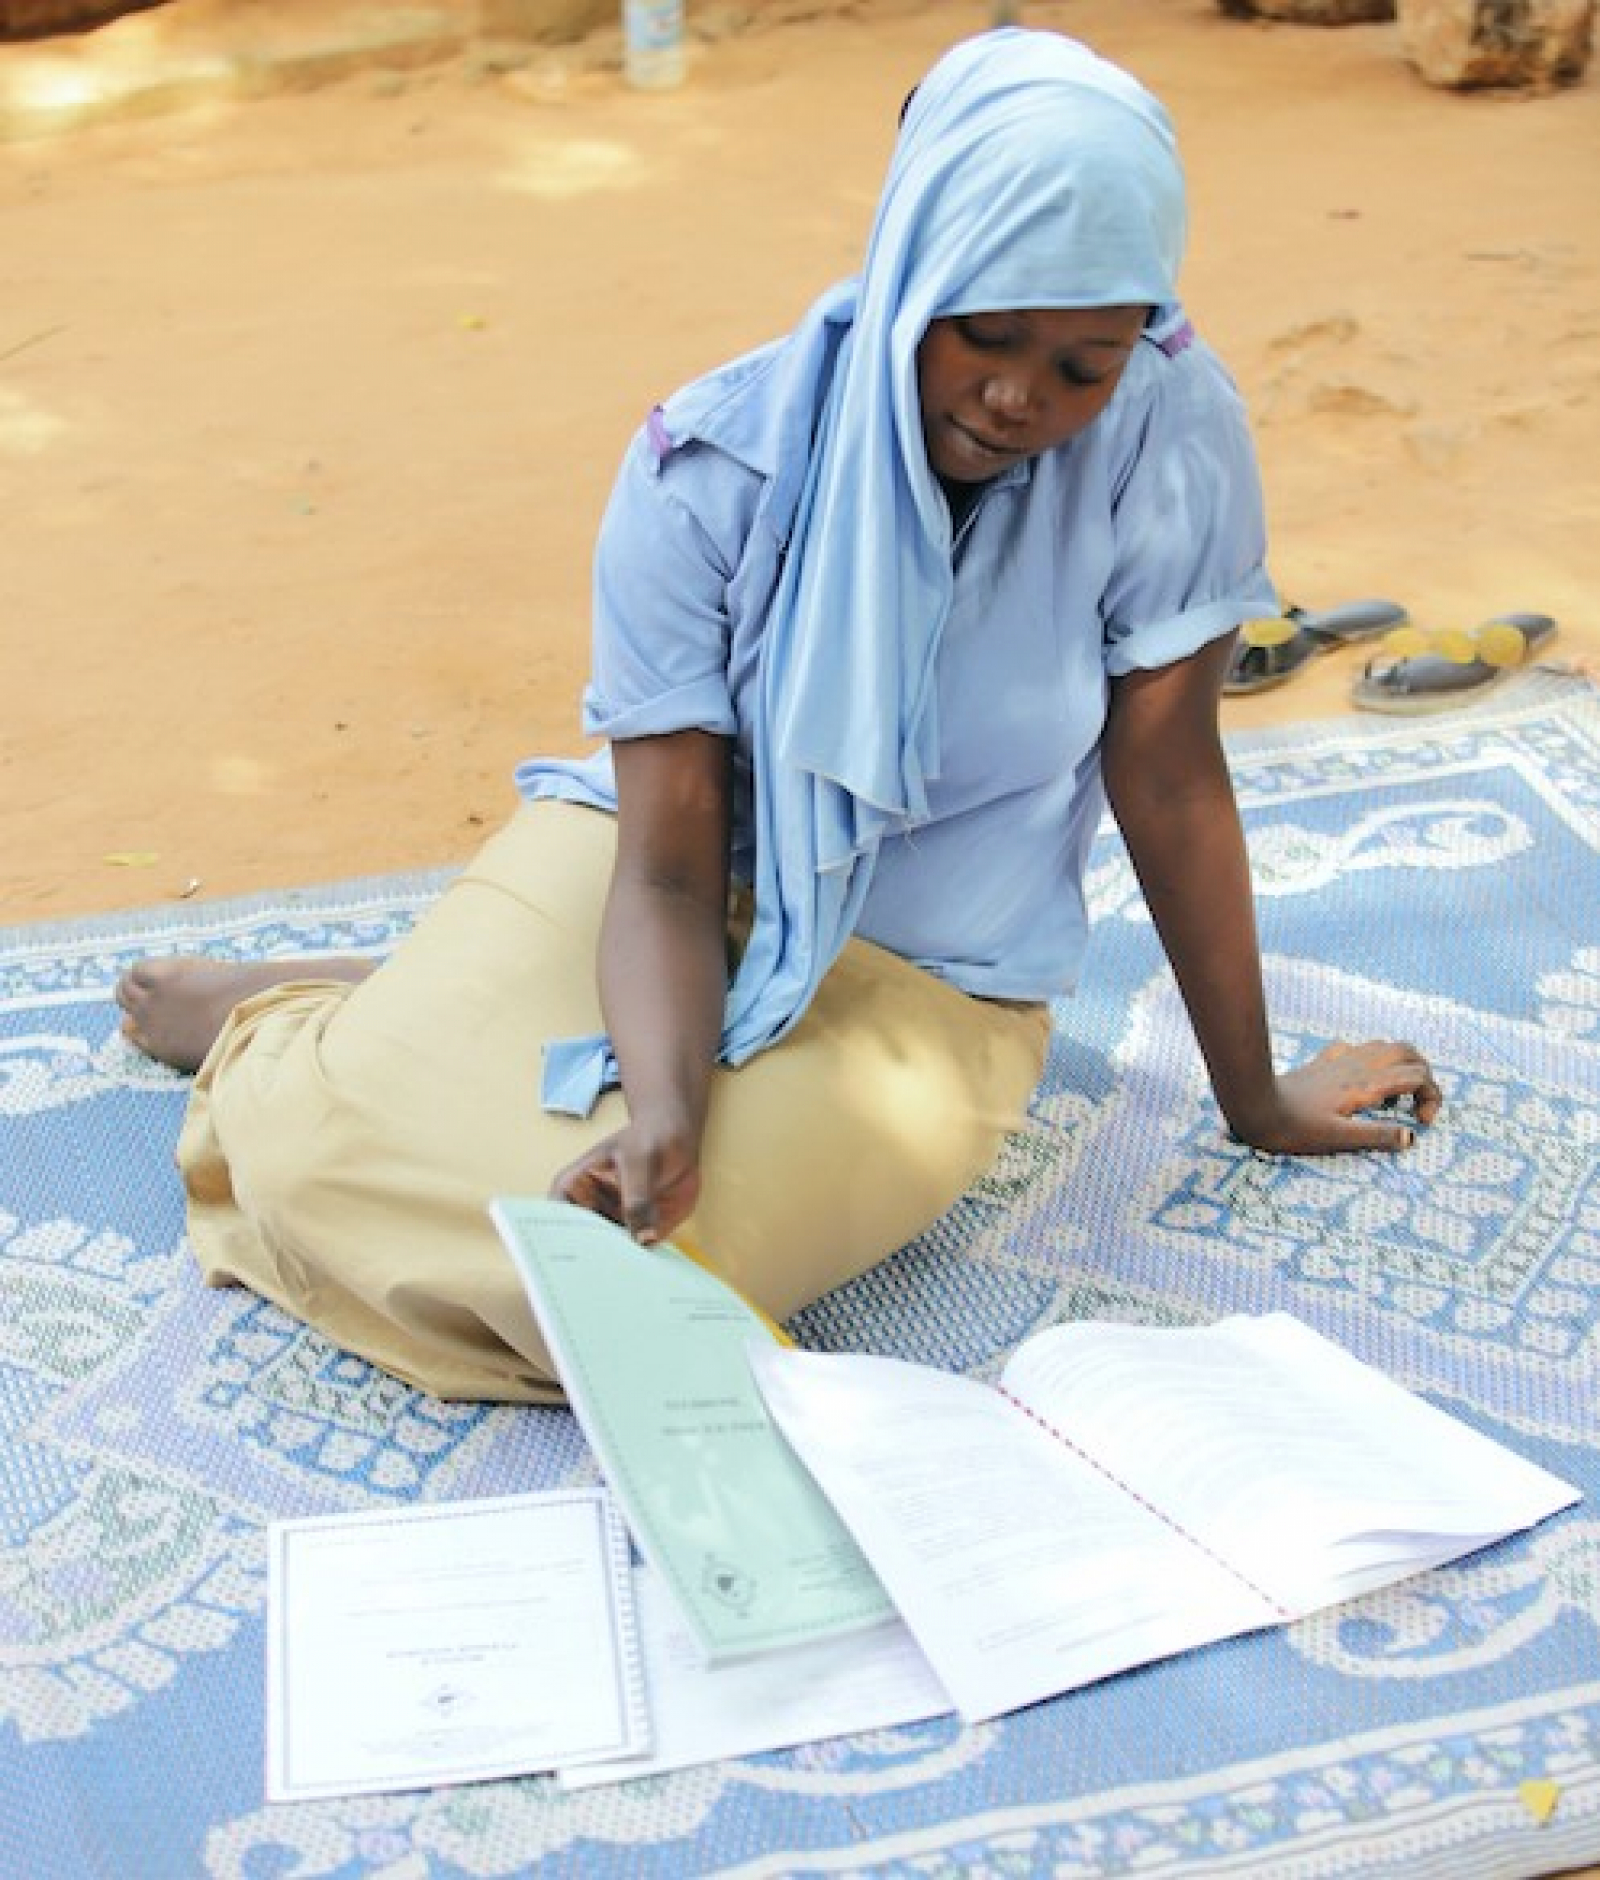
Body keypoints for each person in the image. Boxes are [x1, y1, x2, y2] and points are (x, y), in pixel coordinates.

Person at [117, 28, 1441, 1404]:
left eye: (1082, 365)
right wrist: (669, 1111)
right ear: (916, 264)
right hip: (669, 887)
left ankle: (409, 1008)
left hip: (932, 977)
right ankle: (302, 1031)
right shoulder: (712, 466)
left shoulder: (1169, 428)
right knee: (333, 1160)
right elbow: (671, 866)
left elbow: (1168, 779)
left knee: (600, 1292)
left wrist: (1257, 1099)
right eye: (986, 333)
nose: (1022, 399)